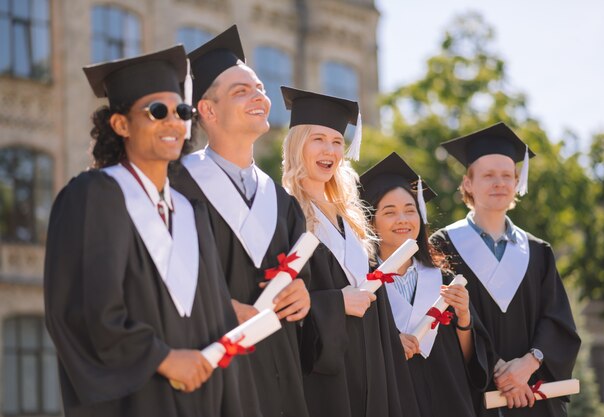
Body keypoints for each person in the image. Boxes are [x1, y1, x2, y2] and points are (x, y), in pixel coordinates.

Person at [44, 45, 261, 416]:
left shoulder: (191, 213)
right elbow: (81, 309)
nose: (173, 122)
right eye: (157, 111)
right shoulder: (93, 195)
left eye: (182, 112)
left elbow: (216, 324)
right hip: (135, 401)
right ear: (121, 124)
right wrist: (161, 358)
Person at [169, 26, 311, 417]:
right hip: (212, 370)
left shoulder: (282, 201)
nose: (260, 98)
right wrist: (216, 307)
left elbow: (302, 283)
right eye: (241, 91)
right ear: (208, 111)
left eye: (260, 88)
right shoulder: (176, 186)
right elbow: (157, 277)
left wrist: (304, 295)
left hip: (280, 377)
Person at [281, 87, 420, 417]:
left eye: (337, 142)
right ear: (298, 143)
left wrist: (390, 339)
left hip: (372, 364)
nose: (329, 150)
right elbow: (280, 303)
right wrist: (337, 303)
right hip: (323, 374)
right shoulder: (284, 213)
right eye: (318, 139)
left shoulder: (352, 218)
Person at [430, 122, 581, 417]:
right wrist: (499, 371)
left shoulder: (538, 251)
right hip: (474, 396)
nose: (499, 183)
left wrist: (528, 365)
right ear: (468, 184)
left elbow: (557, 320)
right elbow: (445, 319)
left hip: (534, 396)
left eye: (506, 175)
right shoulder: (444, 244)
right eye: (488, 175)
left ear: (516, 182)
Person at [360, 151, 493, 417]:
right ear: (371, 222)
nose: (403, 220)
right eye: (389, 212)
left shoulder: (442, 279)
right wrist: (388, 345)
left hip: (449, 402)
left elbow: (471, 362)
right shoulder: (363, 285)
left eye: (410, 211)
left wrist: (464, 317)